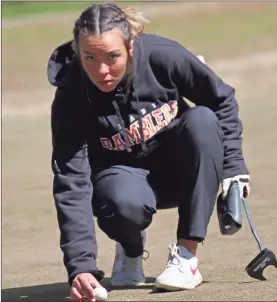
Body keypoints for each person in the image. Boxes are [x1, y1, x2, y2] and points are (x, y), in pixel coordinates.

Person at [47, 2, 250, 301]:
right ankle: (130, 248)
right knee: (121, 202)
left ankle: (186, 257)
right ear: (77, 52)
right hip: (121, 182)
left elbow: (221, 100)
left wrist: (233, 165)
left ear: (130, 46)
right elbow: (71, 181)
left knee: (203, 120)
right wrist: (80, 267)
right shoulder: (71, 94)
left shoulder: (162, 55)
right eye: (90, 57)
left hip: (183, 172)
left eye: (112, 57)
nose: (101, 70)